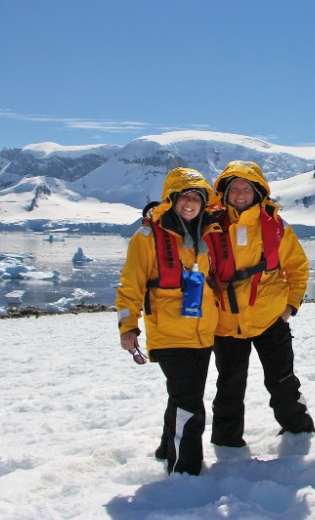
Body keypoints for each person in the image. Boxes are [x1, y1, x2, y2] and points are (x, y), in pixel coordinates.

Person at [116, 168, 221, 476]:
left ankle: (167, 449)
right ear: (172, 199)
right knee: (190, 403)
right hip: (169, 332)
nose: (190, 204)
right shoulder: (148, 236)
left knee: (183, 397)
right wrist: (128, 325)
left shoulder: (206, 232)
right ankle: (185, 470)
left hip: (202, 332)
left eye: (196, 198)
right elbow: (130, 284)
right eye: (184, 197)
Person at [208, 160, 315, 448]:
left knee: (283, 382)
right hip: (227, 322)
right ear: (225, 192)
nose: (240, 193)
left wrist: (290, 307)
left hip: (270, 319)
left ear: (258, 192)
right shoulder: (210, 224)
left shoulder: (276, 226)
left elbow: (298, 267)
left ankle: (299, 433)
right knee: (228, 387)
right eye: (235, 188)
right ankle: (226, 444)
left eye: (246, 188)